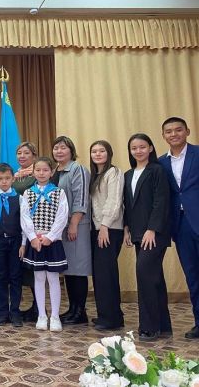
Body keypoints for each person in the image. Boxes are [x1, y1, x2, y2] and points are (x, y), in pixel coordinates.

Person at [124, 133, 171, 341]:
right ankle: (164, 325)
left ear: (150, 148)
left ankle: (149, 327)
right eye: (134, 148)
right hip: (137, 233)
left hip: (154, 233)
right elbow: (128, 204)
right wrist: (127, 228)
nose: (138, 151)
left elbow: (161, 201)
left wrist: (152, 229)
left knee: (144, 275)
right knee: (154, 278)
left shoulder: (157, 170)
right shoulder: (128, 174)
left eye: (142, 147)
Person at [159, 117, 199, 339]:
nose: (173, 134)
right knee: (193, 276)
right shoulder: (160, 163)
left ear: (187, 131)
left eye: (178, 130)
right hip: (181, 226)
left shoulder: (197, 154)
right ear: (163, 136)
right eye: (169, 131)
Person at [21, 157, 69, 332]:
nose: (41, 173)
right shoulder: (27, 193)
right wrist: (32, 237)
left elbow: (62, 216)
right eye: (38, 170)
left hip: (52, 241)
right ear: (33, 172)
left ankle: (55, 316)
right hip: (35, 241)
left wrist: (51, 236)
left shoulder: (59, 192)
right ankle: (42, 315)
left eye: (45, 170)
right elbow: (25, 216)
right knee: (39, 278)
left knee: (53, 278)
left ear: (51, 172)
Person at [52, 136, 92, 325]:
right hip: (61, 227)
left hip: (76, 225)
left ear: (71, 151)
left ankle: (80, 312)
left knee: (78, 269)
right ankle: (72, 309)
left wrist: (74, 224)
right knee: (68, 269)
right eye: (56, 148)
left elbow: (81, 199)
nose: (59, 151)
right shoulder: (56, 171)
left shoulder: (78, 169)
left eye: (63, 148)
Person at [89, 140, 125, 331]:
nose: (97, 154)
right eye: (94, 151)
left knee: (106, 274)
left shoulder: (114, 172)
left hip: (109, 229)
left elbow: (114, 201)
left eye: (101, 151)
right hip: (97, 228)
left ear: (109, 153)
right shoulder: (95, 175)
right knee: (100, 275)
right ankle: (107, 314)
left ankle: (111, 319)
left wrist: (104, 226)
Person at [0, 163, 25, 328]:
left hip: (15, 241)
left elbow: (24, 223)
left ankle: (15, 312)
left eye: (7, 178)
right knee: (0, 277)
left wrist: (23, 244)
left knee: (15, 277)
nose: (4, 181)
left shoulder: (19, 198)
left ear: (13, 179)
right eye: (0, 179)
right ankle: (2, 313)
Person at [13, 142, 38, 322]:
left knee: (34, 268)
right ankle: (30, 306)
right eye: (19, 153)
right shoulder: (15, 176)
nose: (22, 156)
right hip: (16, 227)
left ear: (34, 155)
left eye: (26, 153)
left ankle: (38, 307)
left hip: (33, 228)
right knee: (23, 269)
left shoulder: (37, 175)